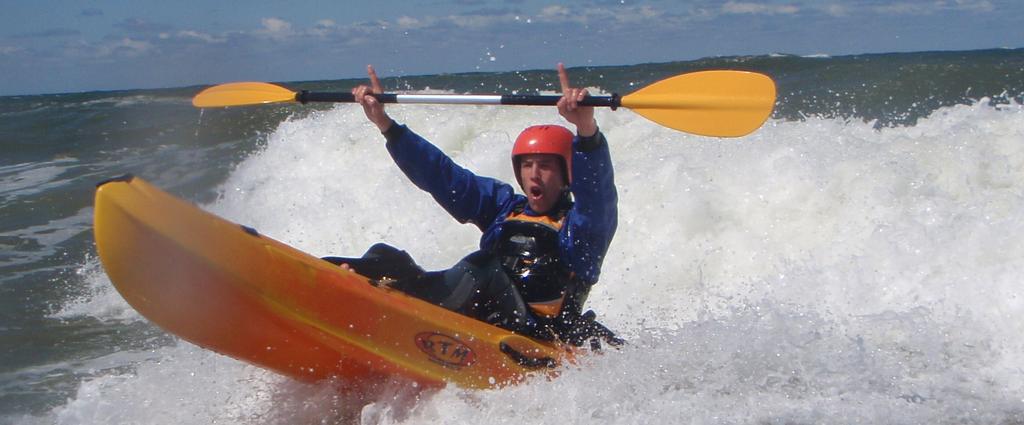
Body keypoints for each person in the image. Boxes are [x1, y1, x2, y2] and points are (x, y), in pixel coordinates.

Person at [326, 64, 620, 346]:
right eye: (527, 165)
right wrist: (385, 125)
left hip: (533, 336)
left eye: (545, 165)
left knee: (484, 267)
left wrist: (586, 130)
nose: (534, 173)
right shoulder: (504, 208)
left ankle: (390, 298)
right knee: (384, 257)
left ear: (567, 172)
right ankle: (341, 279)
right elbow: (442, 176)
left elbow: (598, 196)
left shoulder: (580, 229)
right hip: (482, 324)